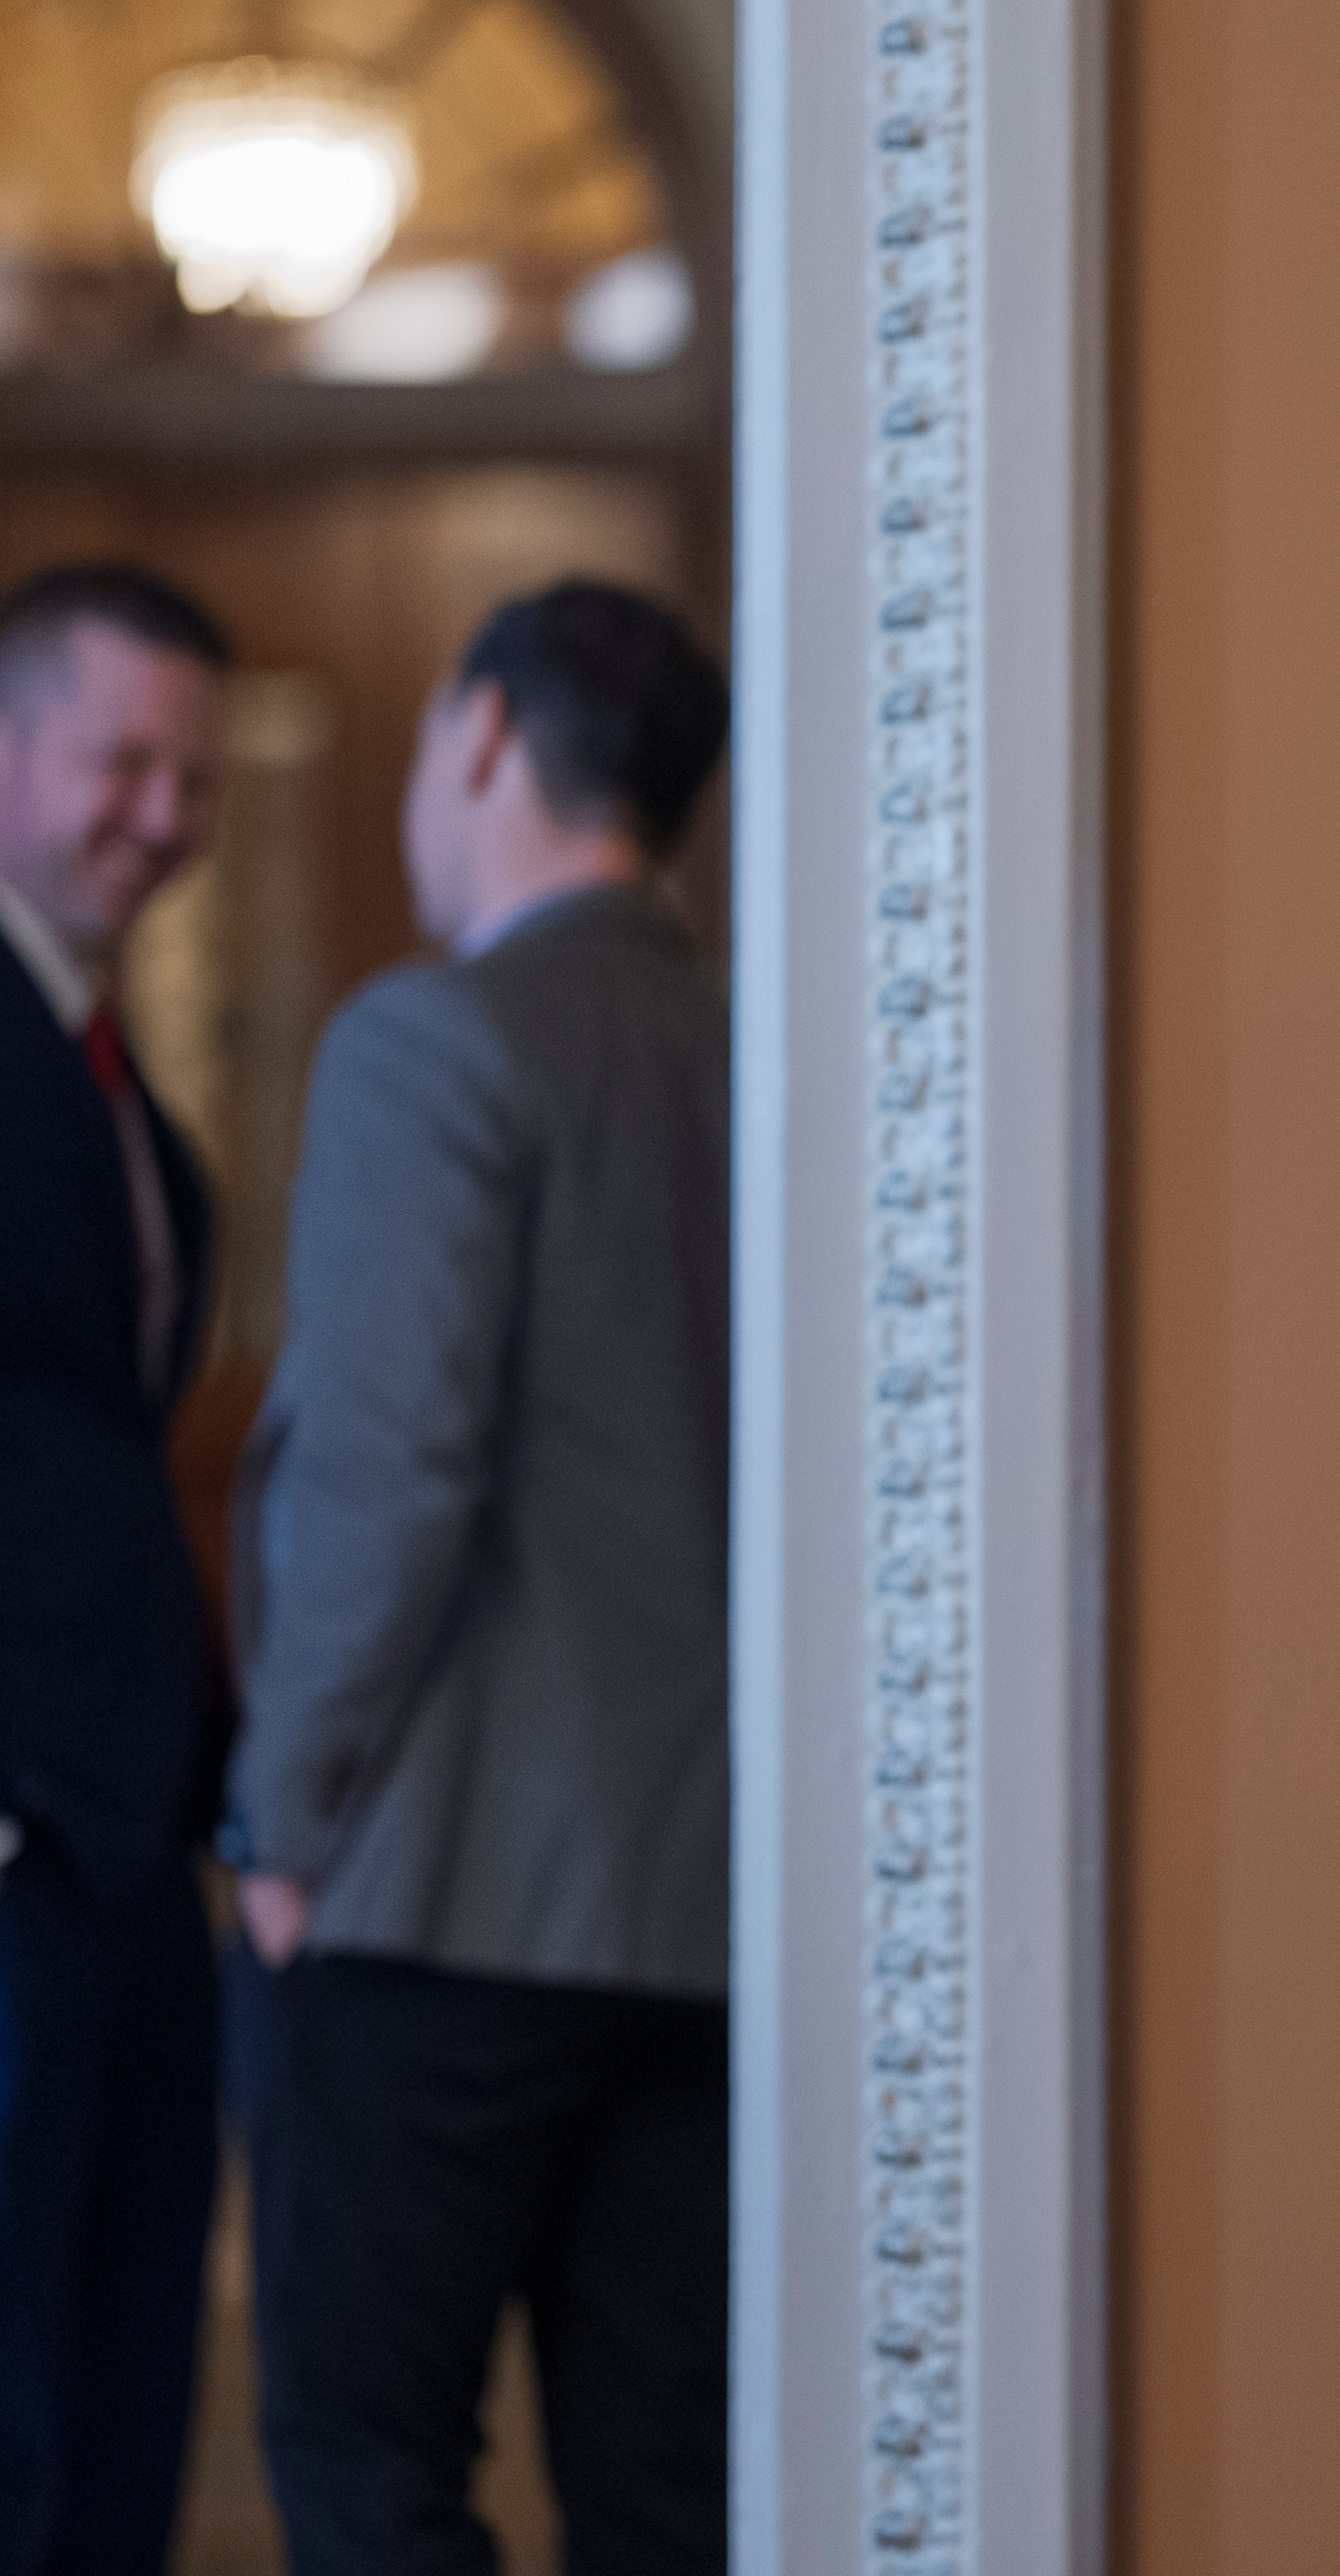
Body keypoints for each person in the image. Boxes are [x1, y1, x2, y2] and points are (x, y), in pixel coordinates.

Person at [227, 580, 733, 2576]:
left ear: (486, 739)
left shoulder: (431, 1039)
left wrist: (287, 1815)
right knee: (674, 2495)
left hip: (436, 1888)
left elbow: (382, 1469)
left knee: (369, 2470)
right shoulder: (771, 1057)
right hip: (708, 1917)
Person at [0, 563, 228, 2576]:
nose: (165, 814)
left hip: (131, 1849)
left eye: (196, 775)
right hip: (16, 1846)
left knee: (115, 2407)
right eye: (123, 759)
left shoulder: (108, 1069)